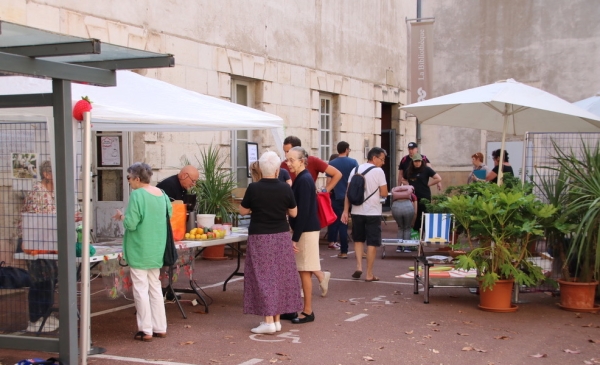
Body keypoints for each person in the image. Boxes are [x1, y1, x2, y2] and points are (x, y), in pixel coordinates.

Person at [239, 151, 302, 334]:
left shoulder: (254, 188)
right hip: (281, 235)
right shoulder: (285, 188)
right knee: (279, 275)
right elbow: (294, 213)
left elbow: (242, 211)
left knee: (263, 276)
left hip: (260, 236)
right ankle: (275, 320)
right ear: (277, 170)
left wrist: (255, 208)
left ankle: (268, 321)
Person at [113, 162, 170, 342]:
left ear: (137, 178)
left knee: (141, 289)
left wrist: (122, 216)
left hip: (139, 247)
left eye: (129, 178)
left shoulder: (137, 195)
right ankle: (160, 326)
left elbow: (131, 223)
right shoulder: (162, 194)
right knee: (155, 287)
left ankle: (146, 329)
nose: (128, 181)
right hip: (157, 247)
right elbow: (169, 212)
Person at [286, 146, 330, 324]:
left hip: (306, 230)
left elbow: (302, 211)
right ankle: (304, 309)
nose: (288, 163)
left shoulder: (303, 180)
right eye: (287, 159)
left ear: (302, 161)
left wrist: (295, 237)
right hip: (306, 229)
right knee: (304, 270)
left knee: (305, 271)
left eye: (291, 160)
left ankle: (308, 311)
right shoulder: (303, 178)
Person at [21, 160, 60, 332]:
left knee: (50, 279)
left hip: (47, 242)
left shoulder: (51, 192)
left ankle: (45, 314)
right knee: (39, 281)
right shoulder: (38, 192)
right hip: (34, 242)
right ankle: (35, 319)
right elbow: (39, 220)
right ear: (47, 174)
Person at [341, 147, 388, 282]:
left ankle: (359, 266)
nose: (383, 162)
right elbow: (384, 193)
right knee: (372, 242)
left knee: (358, 239)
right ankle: (369, 274)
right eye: (382, 159)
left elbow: (348, 193)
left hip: (356, 210)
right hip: (373, 211)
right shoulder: (379, 171)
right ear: (374, 158)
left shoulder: (355, 169)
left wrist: (346, 210)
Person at [327, 141, 359, 257]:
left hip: (336, 196)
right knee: (352, 222)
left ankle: (341, 249)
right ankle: (356, 248)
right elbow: (357, 180)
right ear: (346, 149)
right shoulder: (353, 162)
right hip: (351, 196)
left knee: (338, 222)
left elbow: (329, 181)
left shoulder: (332, 163)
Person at [403, 153, 442, 231]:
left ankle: (426, 231)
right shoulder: (409, 170)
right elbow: (403, 179)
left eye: (419, 161)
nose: (417, 163)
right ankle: (416, 231)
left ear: (421, 161)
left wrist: (429, 184)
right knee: (415, 214)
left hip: (425, 195)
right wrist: (409, 186)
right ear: (412, 162)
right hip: (413, 196)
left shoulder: (426, 169)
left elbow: (438, 178)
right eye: (415, 161)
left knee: (425, 213)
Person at [390, 184, 417, 253]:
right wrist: (413, 221)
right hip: (408, 206)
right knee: (407, 227)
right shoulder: (411, 193)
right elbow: (415, 210)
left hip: (395, 206)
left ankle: (399, 247)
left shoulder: (395, 190)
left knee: (400, 227)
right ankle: (406, 247)